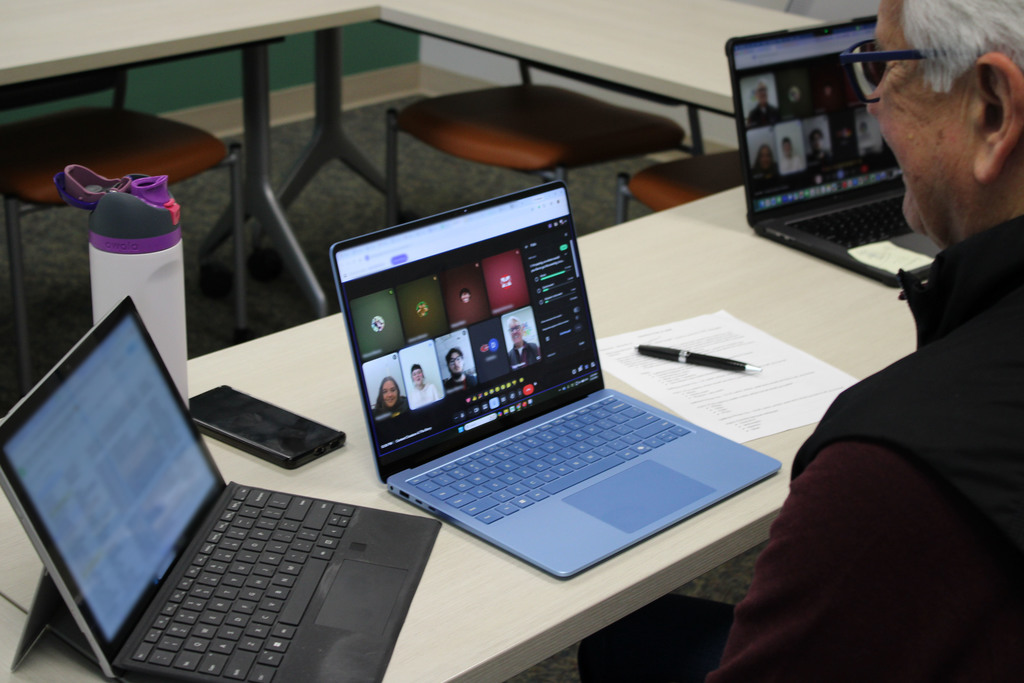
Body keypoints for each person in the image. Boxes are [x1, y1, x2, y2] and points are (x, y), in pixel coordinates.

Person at [578, 0, 1024, 679]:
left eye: (884, 70)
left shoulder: (891, 473)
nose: (871, 109)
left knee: (620, 642)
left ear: (990, 110)